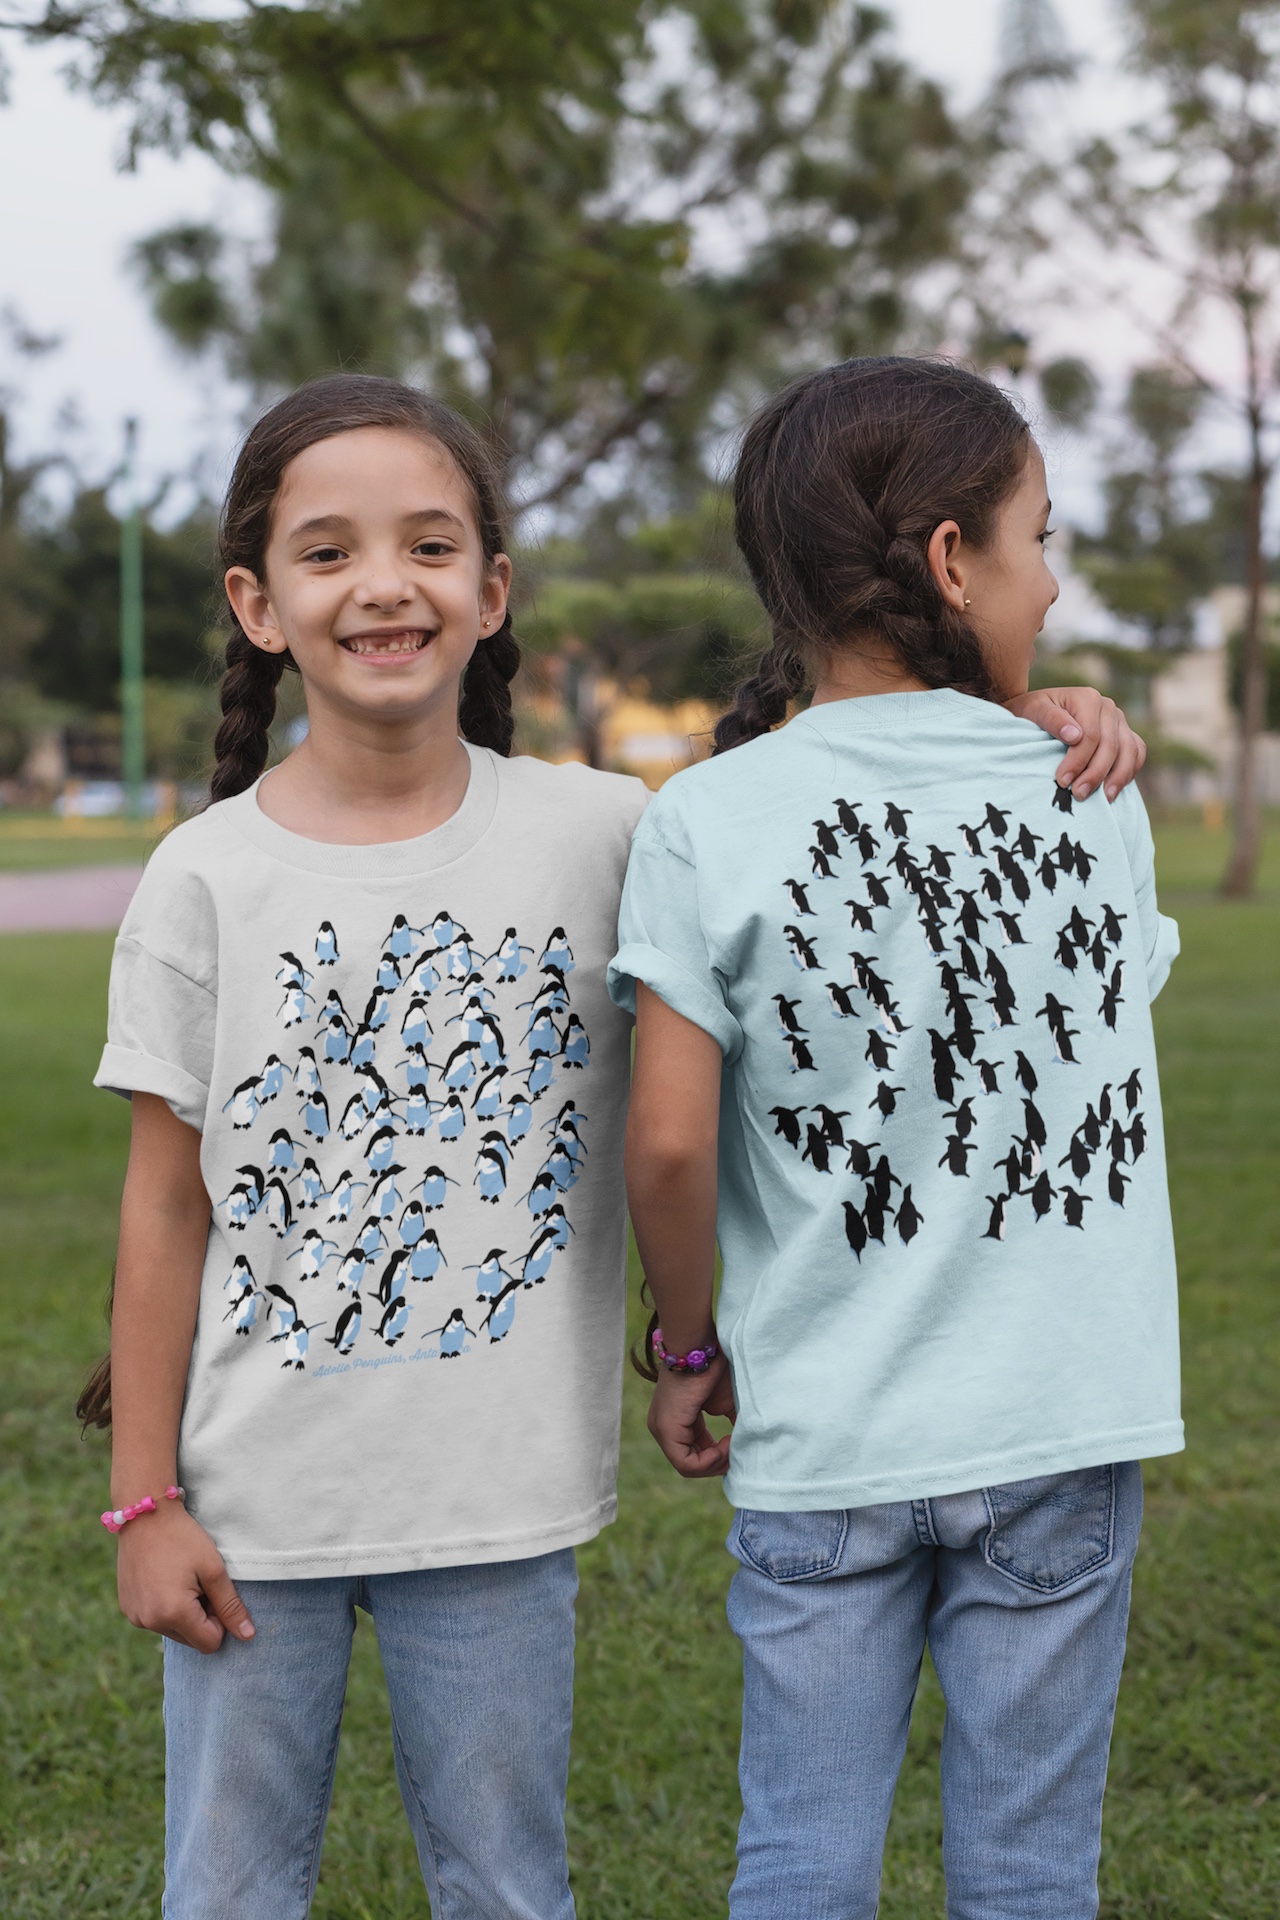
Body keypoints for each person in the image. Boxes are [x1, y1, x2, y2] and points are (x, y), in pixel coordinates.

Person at [81, 367, 1144, 1920]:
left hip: (507, 1513)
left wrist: (1029, 710)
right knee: (228, 1890)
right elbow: (163, 1211)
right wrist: (141, 1499)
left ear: (494, 589)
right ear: (256, 603)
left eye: (432, 546)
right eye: (327, 553)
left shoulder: (612, 830)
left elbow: (833, 802)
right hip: (253, 1519)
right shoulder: (200, 877)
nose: (385, 584)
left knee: (514, 1890)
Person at [610, 357, 1181, 1920]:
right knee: (1029, 1871)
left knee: (799, 1856)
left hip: (824, 1444)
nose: (1053, 585)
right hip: (1057, 1432)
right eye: (1041, 537)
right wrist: (1039, 721)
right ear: (950, 559)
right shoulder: (1088, 795)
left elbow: (665, 1150)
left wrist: (684, 1347)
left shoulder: (703, 815)